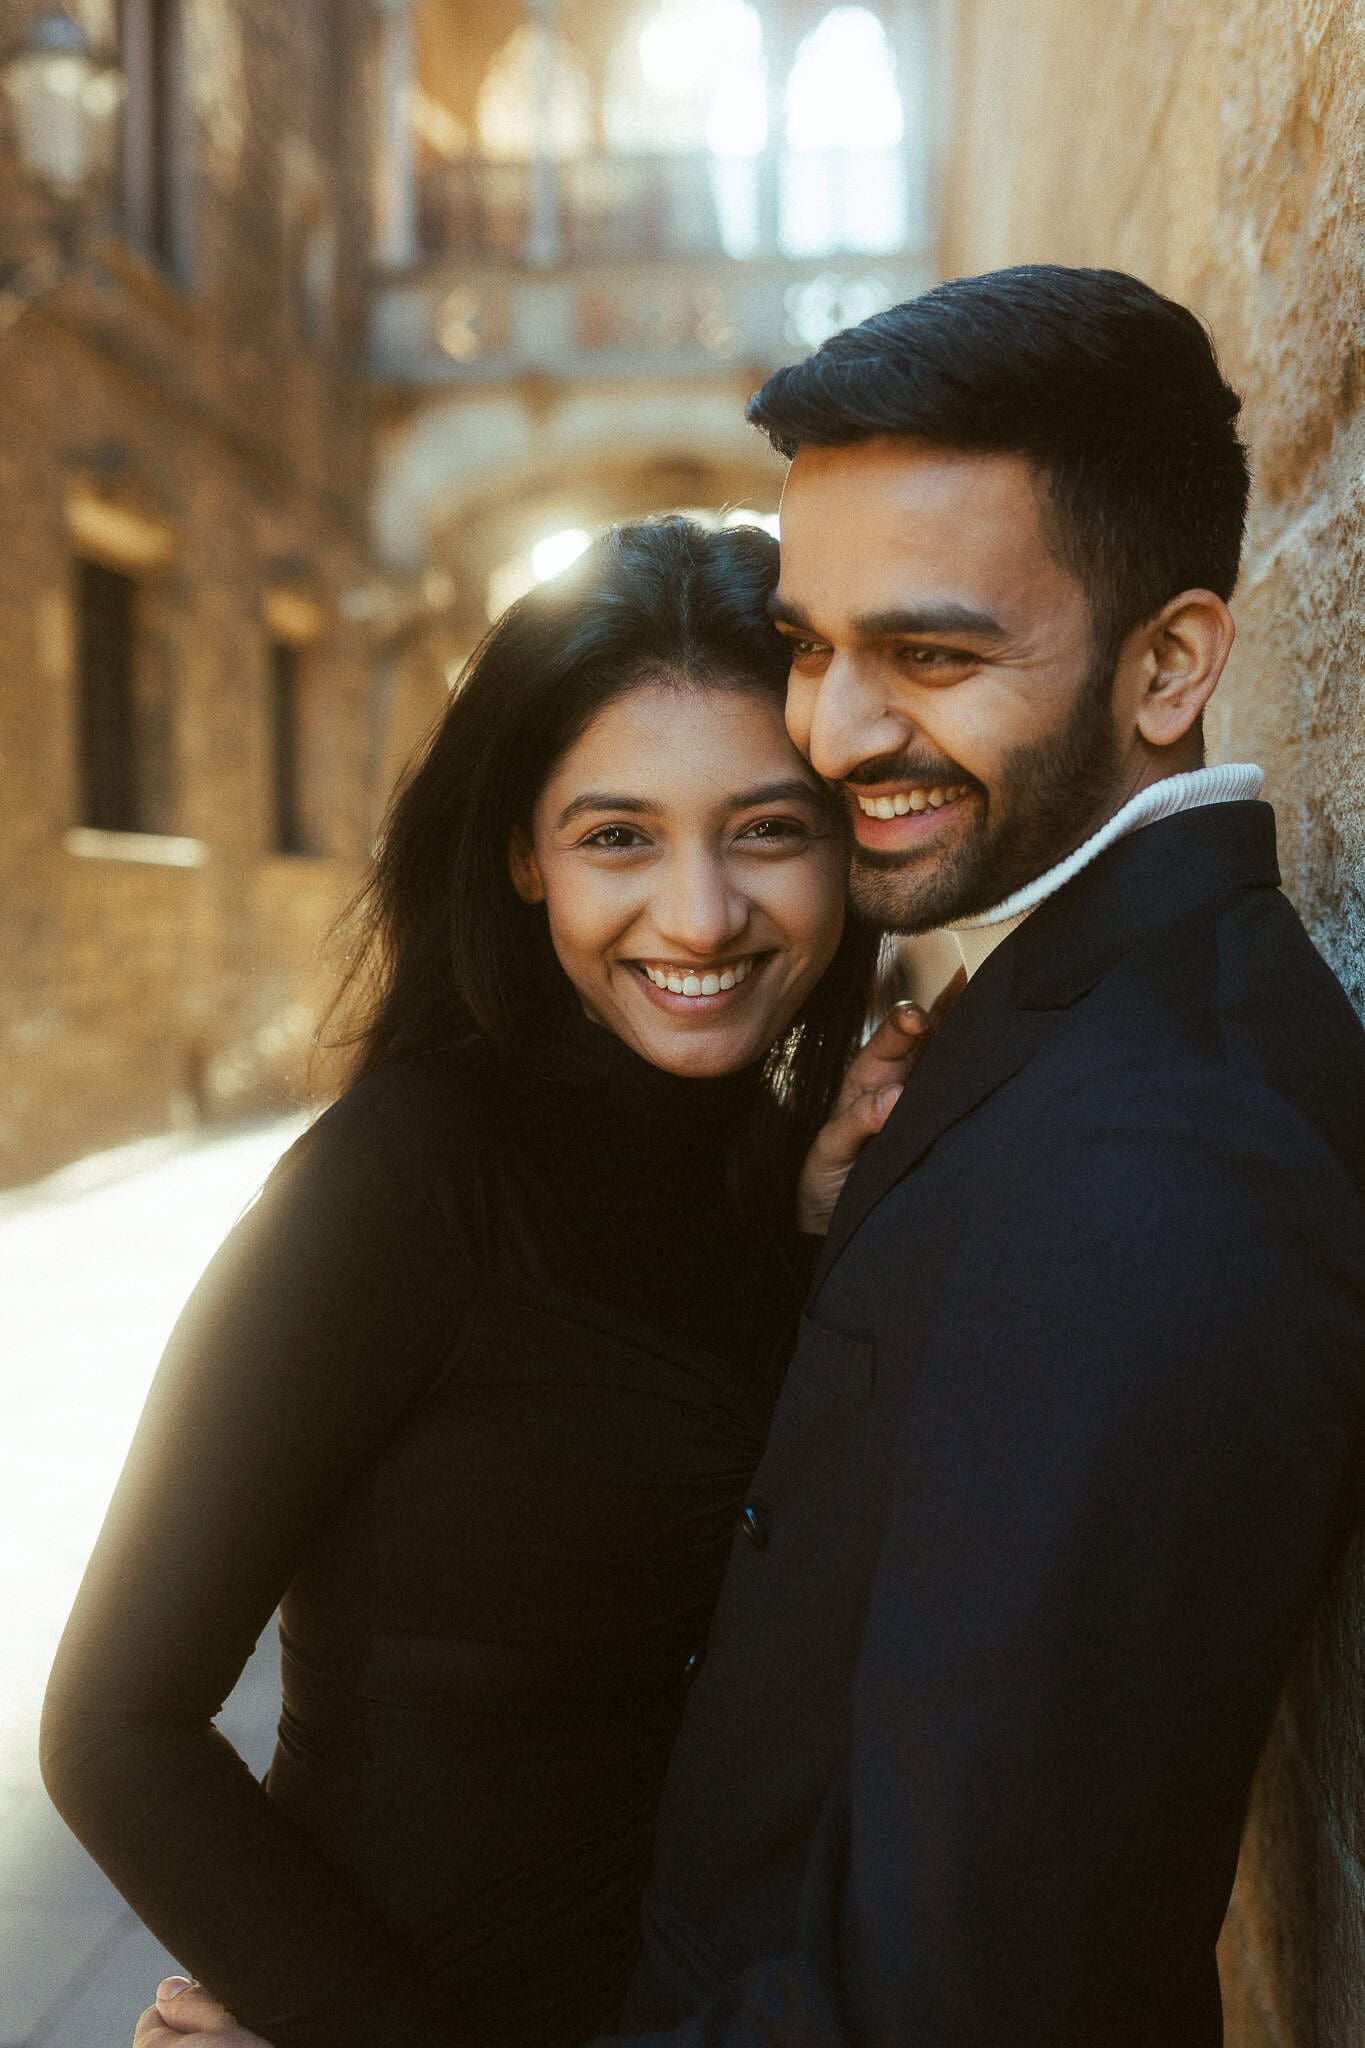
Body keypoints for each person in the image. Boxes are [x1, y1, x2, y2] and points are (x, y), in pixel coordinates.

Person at [139, 266, 1365, 2048]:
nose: (843, 729)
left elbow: (963, 1990)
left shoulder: (1160, 1151)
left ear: (1169, 662)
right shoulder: (1016, 1049)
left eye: (930, 653)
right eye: (814, 644)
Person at [42, 517, 920, 2048]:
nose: (701, 915)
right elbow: (115, 1730)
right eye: (617, 836)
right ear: (522, 854)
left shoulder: (769, 1175)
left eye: (766, 830)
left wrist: (803, 1230)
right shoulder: (402, 1180)